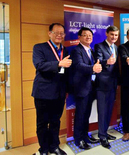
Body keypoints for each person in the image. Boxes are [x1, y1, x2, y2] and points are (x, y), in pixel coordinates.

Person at [32, 23, 72, 155]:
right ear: (49, 33)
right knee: (42, 123)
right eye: (56, 33)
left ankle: (54, 146)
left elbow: (66, 73)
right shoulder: (39, 48)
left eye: (62, 33)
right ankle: (43, 149)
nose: (59, 35)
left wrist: (66, 90)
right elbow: (39, 65)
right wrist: (59, 63)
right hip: (43, 92)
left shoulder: (65, 50)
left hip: (59, 93)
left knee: (55, 121)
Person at [71, 27, 102, 150]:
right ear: (79, 37)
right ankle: (79, 140)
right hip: (81, 88)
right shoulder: (76, 51)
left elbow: (97, 64)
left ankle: (85, 136)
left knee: (86, 114)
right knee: (80, 115)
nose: (88, 37)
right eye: (85, 35)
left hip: (91, 88)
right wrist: (92, 69)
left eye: (90, 35)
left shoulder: (92, 51)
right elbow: (79, 65)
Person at [94, 26, 119, 149]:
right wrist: (106, 62)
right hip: (102, 84)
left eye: (116, 35)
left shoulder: (116, 47)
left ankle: (105, 132)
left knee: (109, 110)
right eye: (112, 34)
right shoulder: (99, 46)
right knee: (102, 111)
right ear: (107, 34)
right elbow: (98, 60)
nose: (114, 37)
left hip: (112, 84)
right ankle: (102, 136)